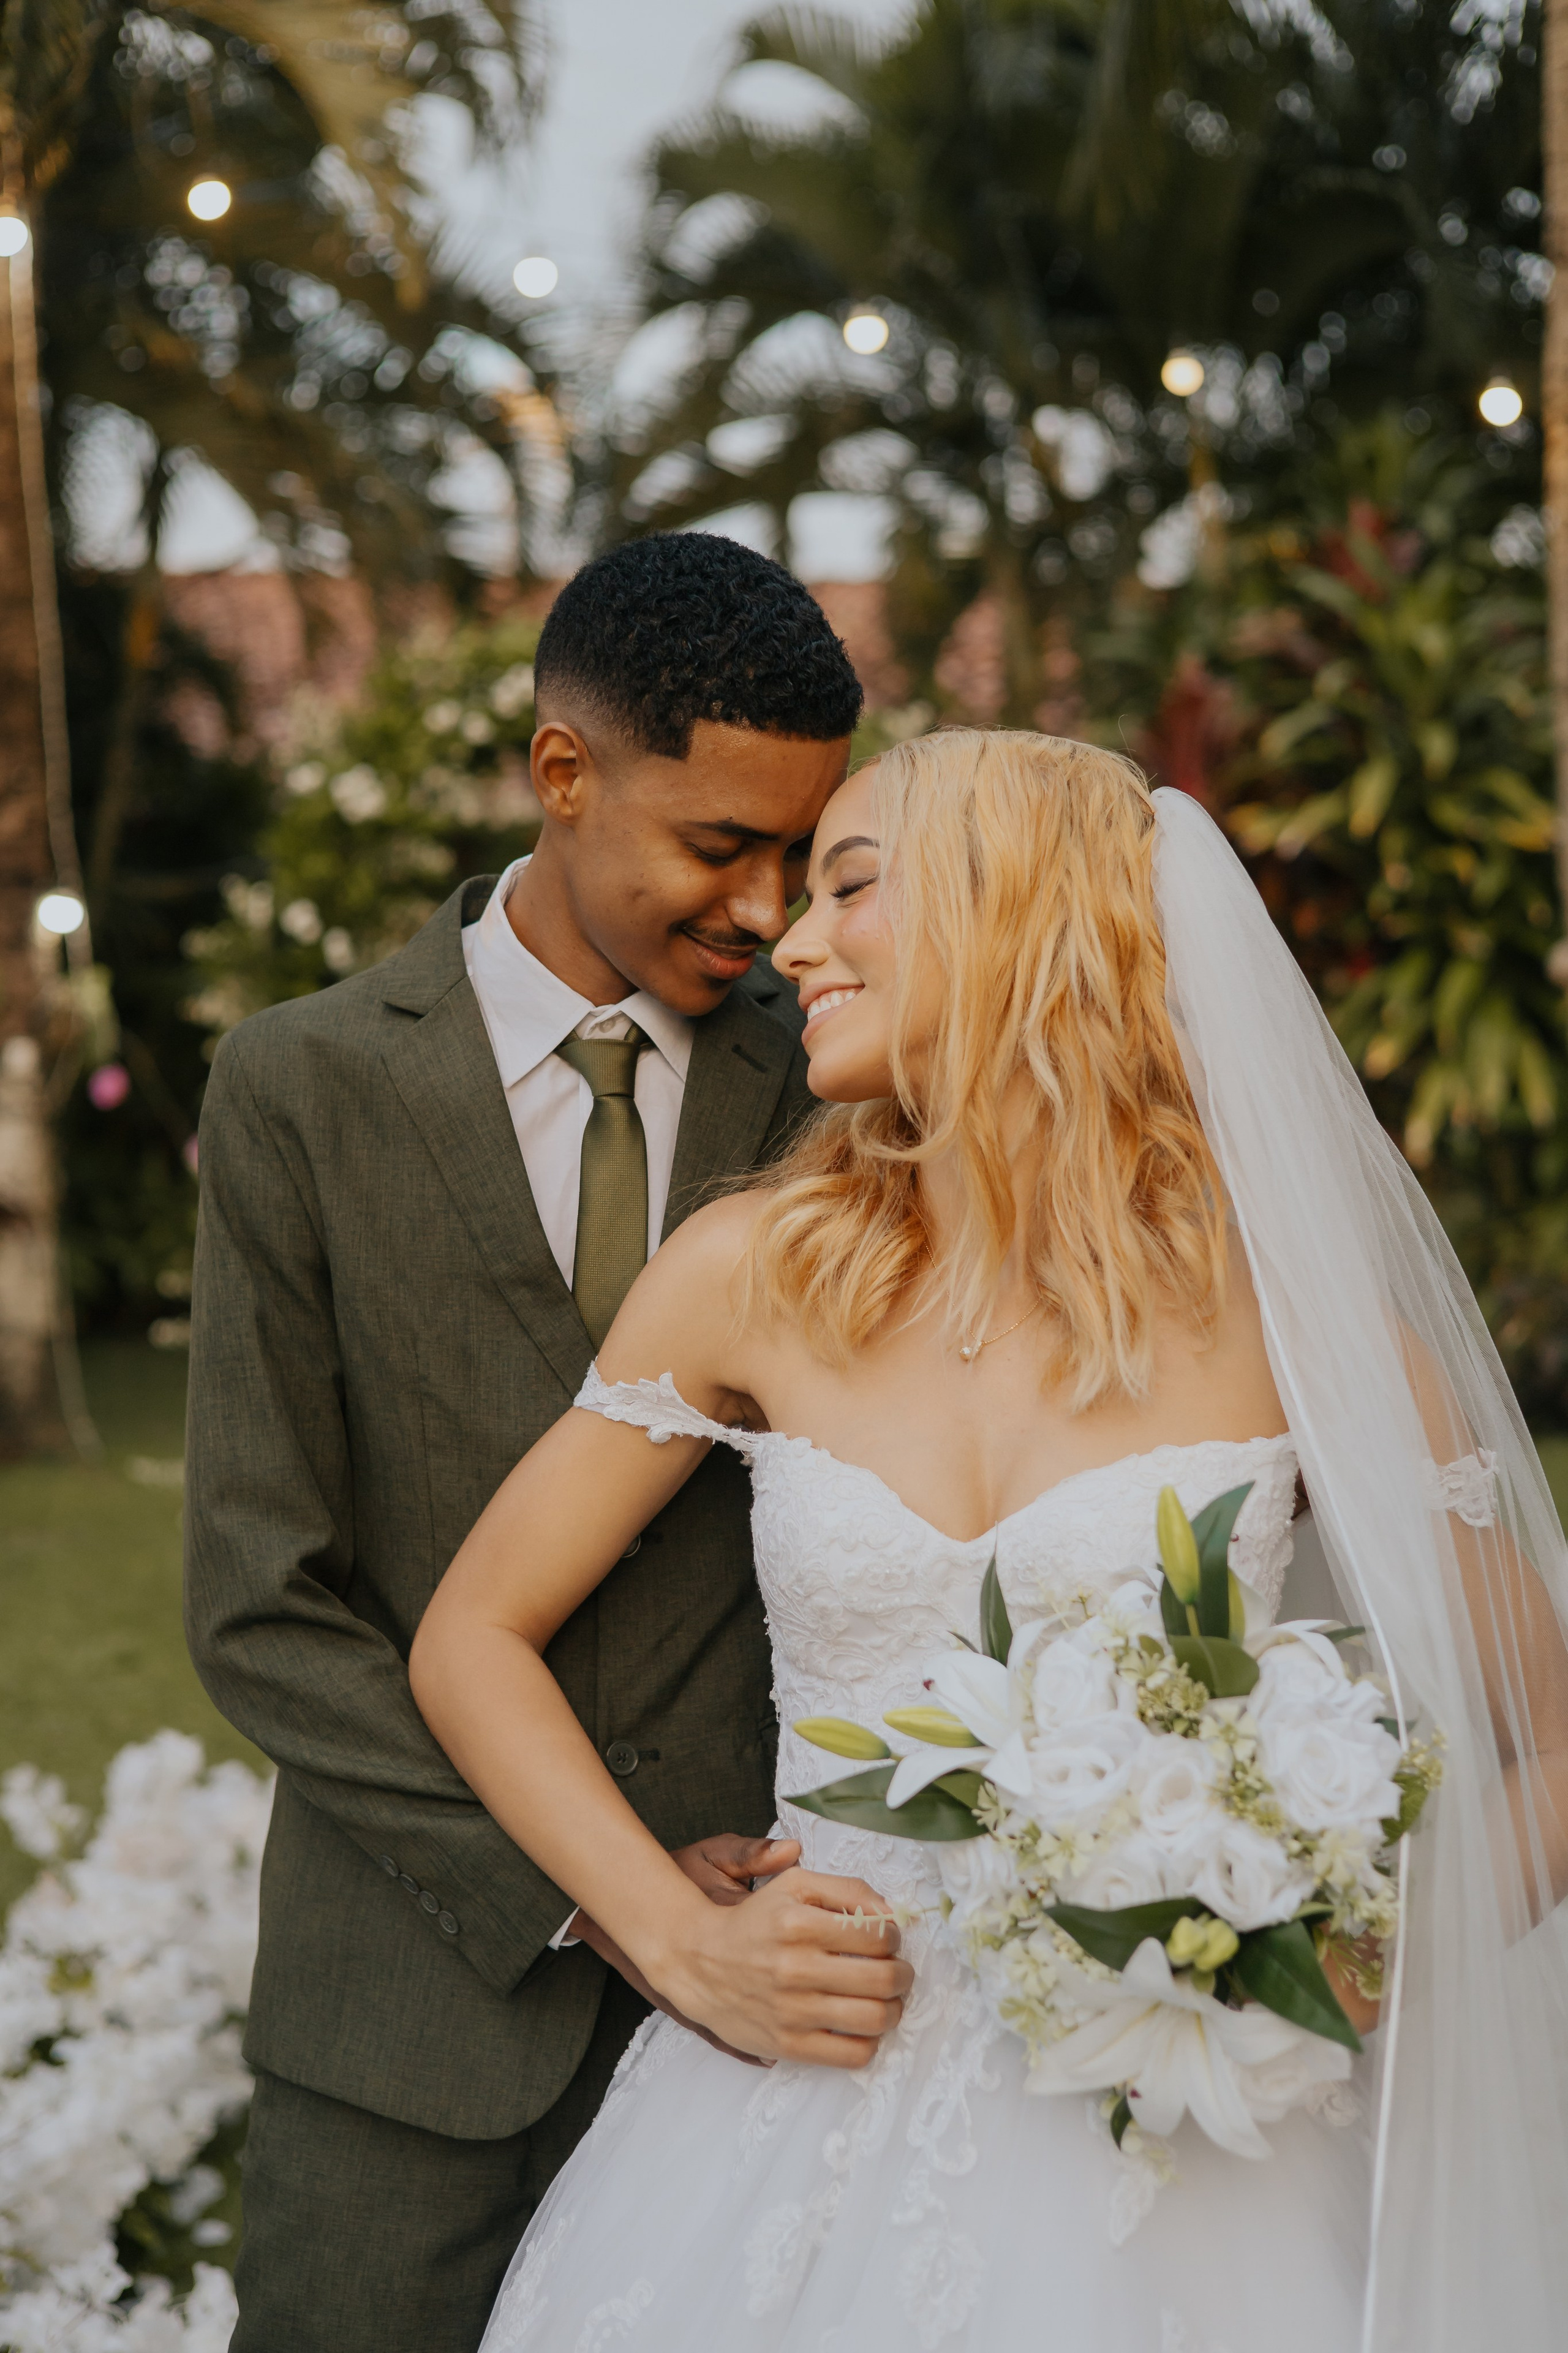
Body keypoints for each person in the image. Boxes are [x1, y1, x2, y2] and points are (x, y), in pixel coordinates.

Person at [412, 730, 1568, 2351]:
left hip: (1194, 2148)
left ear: (1020, 909)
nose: (792, 942)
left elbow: (1553, 1722)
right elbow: (473, 1634)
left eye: (851, 887)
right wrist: (683, 1943)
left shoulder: (1291, 1303)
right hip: (792, 2098)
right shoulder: (752, 1268)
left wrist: (1349, 1957)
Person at [182, 531, 900, 2353]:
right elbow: (263, 1607)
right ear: (563, 772)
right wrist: (626, 1908)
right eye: (721, 843)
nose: (764, 908)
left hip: (762, 2055)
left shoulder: (835, 1090)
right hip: (405, 2034)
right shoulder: (303, 1088)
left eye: (801, 854)